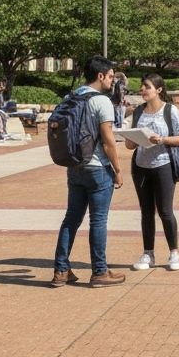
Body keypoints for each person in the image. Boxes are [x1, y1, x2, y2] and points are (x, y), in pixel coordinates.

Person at [51, 56, 126, 288]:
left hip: (75, 166)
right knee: (98, 220)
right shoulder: (101, 101)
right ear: (100, 76)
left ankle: (61, 270)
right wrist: (118, 169)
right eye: (111, 76)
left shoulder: (71, 96)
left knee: (71, 218)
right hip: (97, 168)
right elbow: (108, 141)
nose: (113, 81)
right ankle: (99, 272)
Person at [126, 74, 179, 272]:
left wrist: (161, 140)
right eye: (142, 86)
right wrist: (131, 137)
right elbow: (129, 145)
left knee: (165, 211)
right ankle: (148, 253)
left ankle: (174, 252)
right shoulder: (138, 111)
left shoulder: (170, 110)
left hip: (163, 165)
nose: (143, 90)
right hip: (141, 166)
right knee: (146, 212)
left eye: (147, 87)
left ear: (159, 90)